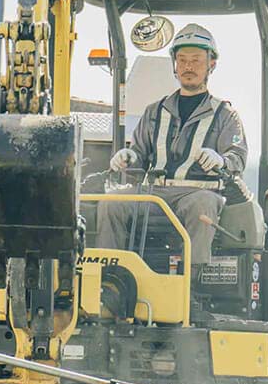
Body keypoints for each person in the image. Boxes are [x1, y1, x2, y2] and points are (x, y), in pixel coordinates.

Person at [97, 23, 246, 269]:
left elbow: (236, 158)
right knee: (112, 202)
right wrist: (129, 157)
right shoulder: (154, 111)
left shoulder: (225, 115)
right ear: (174, 65)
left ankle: (193, 286)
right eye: (182, 60)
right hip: (155, 194)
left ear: (211, 64)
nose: (189, 67)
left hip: (197, 193)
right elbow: (139, 157)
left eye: (196, 60)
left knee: (203, 206)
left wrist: (221, 161)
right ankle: (110, 281)